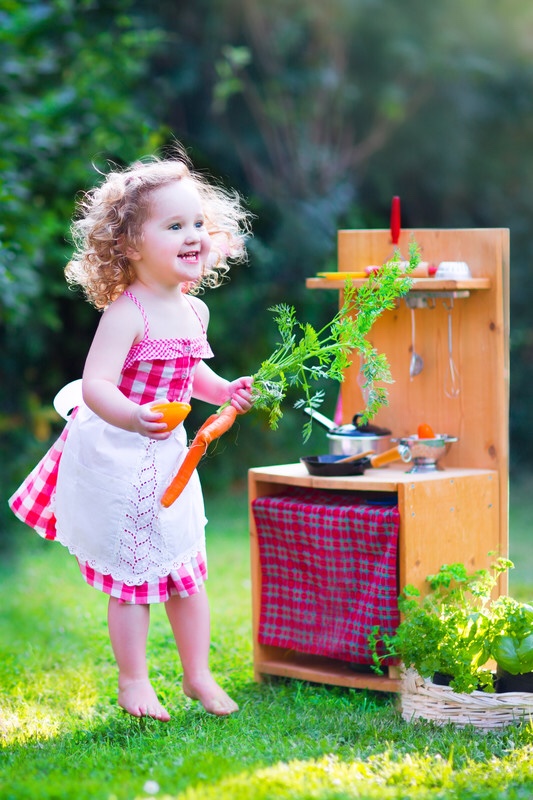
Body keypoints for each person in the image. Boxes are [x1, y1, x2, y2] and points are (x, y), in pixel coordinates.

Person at [9, 147, 254, 721]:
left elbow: (192, 373)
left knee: (186, 571)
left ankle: (198, 677)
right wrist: (130, 415)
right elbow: (96, 383)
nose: (193, 235)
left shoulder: (195, 313)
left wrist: (224, 392)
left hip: (169, 458)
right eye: (175, 226)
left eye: (198, 223)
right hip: (119, 455)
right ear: (130, 244)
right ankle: (134, 682)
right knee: (133, 579)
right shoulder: (128, 313)